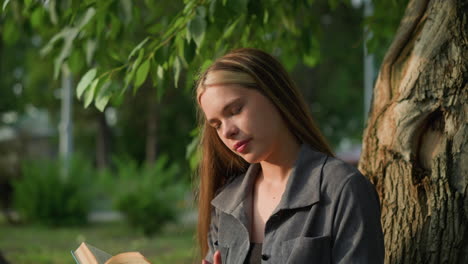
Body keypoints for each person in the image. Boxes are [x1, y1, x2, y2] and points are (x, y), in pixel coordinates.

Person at [194, 48, 384, 264]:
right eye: (216, 125)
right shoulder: (226, 203)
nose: (227, 131)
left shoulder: (343, 189)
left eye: (235, 110)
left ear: (273, 94)